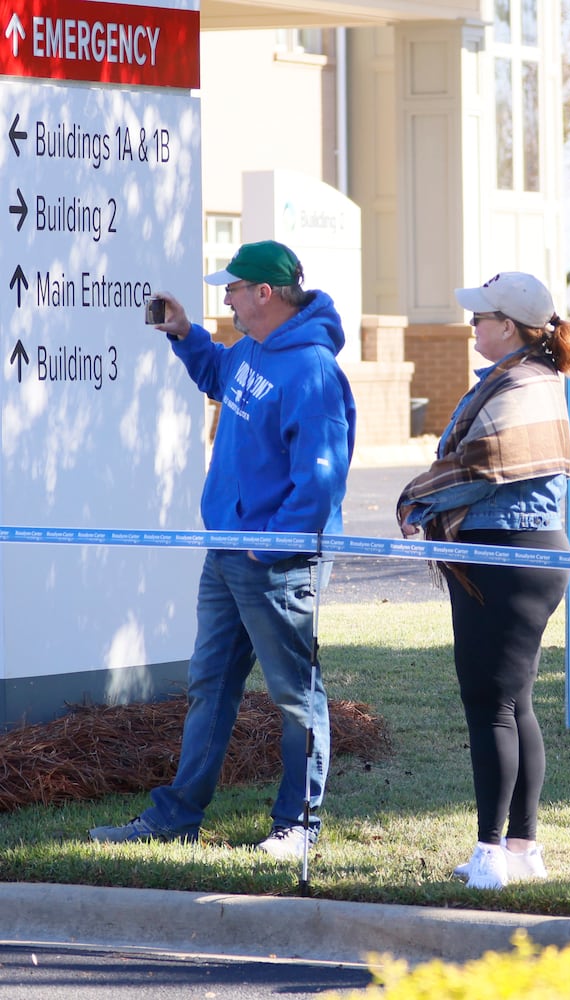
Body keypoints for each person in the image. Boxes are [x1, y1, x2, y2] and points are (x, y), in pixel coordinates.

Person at [90, 241, 356, 859]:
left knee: (296, 697)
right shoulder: (252, 352)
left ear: (265, 294)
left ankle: (298, 827)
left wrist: (270, 549)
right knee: (209, 686)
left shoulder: (312, 367)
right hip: (227, 555)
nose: (227, 297)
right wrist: (184, 334)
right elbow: (218, 373)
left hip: (274, 565)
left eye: (234, 288)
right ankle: (177, 815)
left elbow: (320, 477)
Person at [396, 271, 570, 890]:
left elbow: (484, 465)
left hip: (505, 554)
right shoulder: (529, 379)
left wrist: (415, 499)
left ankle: (490, 856)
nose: (472, 326)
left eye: (481, 318)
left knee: (489, 707)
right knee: (512, 703)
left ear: (509, 326)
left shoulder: (522, 384)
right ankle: (521, 847)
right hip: (520, 553)